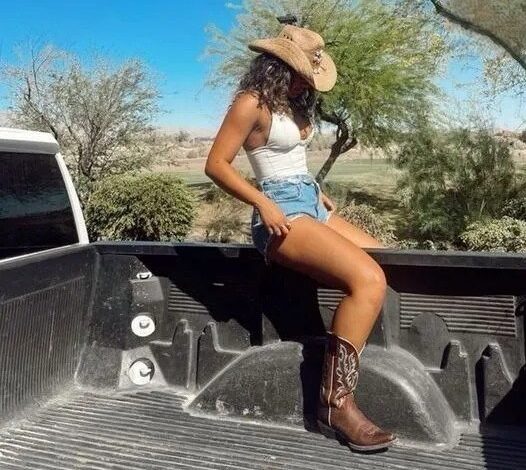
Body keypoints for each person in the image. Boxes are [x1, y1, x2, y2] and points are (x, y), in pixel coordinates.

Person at [204, 24, 397, 451]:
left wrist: (315, 189)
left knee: (390, 258)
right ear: (278, 66)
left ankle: (364, 365)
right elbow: (215, 164)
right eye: (301, 74)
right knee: (369, 280)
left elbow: (289, 159)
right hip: (280, 215)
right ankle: (336, 404)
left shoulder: (290, 104)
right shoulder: (251, 102)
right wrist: (262, 202)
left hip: (308, 203)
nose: (306, 83)